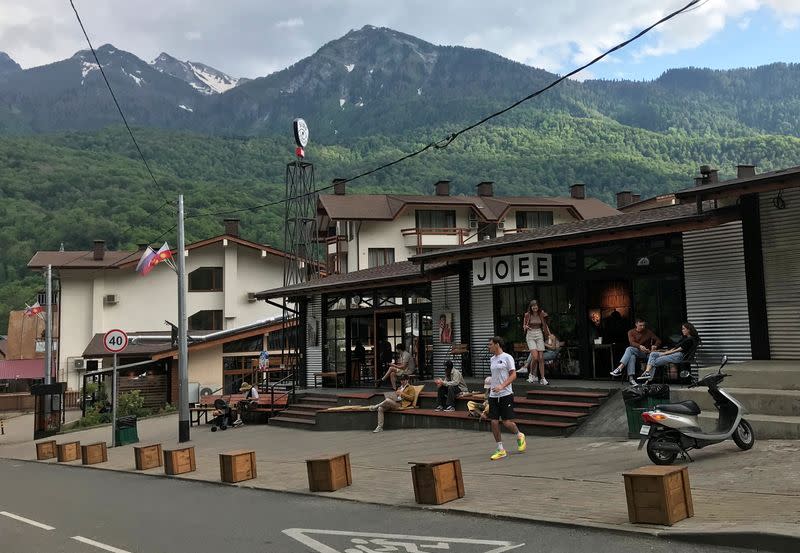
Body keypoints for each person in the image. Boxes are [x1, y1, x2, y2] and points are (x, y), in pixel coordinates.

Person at [487, 336, 526, 460]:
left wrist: (502, 386)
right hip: (493, 395)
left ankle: (519, 435)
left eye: (490, 344)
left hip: (506, 394)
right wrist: (489, 388)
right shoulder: (492, 359)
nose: (489, 347)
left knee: (506, 422)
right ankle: (500, 449)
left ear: (497, 344)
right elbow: (495, 376)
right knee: (493, 421)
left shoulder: (507, 357)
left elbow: (513, 375)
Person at [611, 318, 662, 385]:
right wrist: (640, 346)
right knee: (631, 355)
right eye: (640, 325)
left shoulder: (648, 332)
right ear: (636, 324)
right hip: (637, 351)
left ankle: (620, 368)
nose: (642, 327)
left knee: (629, 350)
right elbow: (632, 343)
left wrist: (655, 345)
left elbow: (658, 340)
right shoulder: (631, 332)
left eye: (644, 325)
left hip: (646, 353)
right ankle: (631, 380)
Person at [523, 299, 550, 385]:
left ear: (538, 306)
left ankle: (542, 378)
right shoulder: (527, 315)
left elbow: (545, 324)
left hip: (539, 333)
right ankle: (531, 374)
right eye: (533, 305)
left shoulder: (541, 314)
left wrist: (548, 334)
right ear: (531, 307)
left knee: (541, 358)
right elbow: (524, 326)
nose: (535, 307)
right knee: (535, 357)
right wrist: (526, 327)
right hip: (530, 334)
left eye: (536, 305)